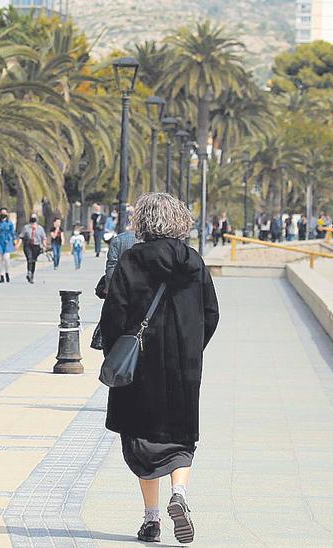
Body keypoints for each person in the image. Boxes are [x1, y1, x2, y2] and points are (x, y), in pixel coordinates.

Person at [99, 193, 219, 545]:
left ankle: (151, 519)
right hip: (183, 366)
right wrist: (192, 348)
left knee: (142, 440)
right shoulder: (193, 262)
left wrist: (115, 352)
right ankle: (179, 493)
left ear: (143, 222)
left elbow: (113, 317)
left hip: (141, 367)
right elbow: (211, 313)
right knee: (180, 437)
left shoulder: (132, 260)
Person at [17, 214, 49, 284]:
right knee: (29, 258)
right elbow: (21, 237)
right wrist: (17, 245)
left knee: (33, 261)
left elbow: (43, 238)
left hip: (36, 246)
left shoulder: (40, 228)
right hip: (28, 245)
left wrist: (44, 246)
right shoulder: (26, 227)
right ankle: (29, 272)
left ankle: (31, 275)